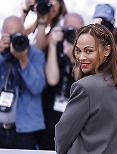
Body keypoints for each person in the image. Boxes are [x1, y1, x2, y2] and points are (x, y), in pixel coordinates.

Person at [55, 24, 117, 154]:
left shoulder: (84, 87)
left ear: (107, 50)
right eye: (78, 50)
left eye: (89, 51)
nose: (81, 57)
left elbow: (63, 135)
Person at [37, 13, 84, 150]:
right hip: (49, 122)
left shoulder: (86, 53)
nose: (72, 34)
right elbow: (52, 80)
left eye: (77, 30)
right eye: (69, 29)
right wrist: (52, 46)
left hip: (75, 126)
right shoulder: (55, 46)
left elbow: (81, 82)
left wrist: (74, 56)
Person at [0, 16, 45, 149]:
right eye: (9, 35)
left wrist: (24, 60)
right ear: (2, 34)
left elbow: (37, 87)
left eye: (16, 35)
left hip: (25, 130)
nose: (13, 39)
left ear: (24, 33)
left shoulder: (35, 55)